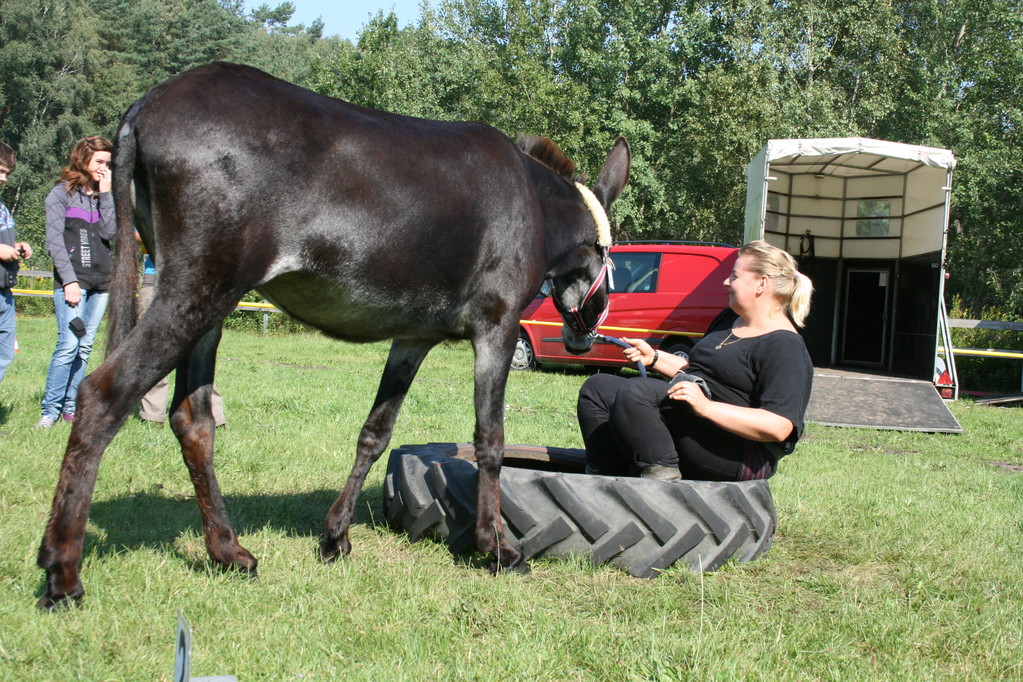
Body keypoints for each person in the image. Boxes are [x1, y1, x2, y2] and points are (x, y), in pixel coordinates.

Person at [577, 240, 814, 481]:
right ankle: (605, 478)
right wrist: (655, 357)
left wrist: (707, 408)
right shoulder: (729, 319)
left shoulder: (785, 345)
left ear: (761, 284)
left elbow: (779, 426)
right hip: (696, 427)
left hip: (739, 453)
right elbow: (701, 373)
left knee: (640, 391)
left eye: (734, 276)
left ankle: (660, 483)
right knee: (598, 389)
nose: (726, 282)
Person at [36, 136, 115, 428]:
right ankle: (49, 411)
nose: (105, 168)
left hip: (101, 284)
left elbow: (110, 232)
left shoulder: (104, 195)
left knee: (85, 346)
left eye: (109, 163)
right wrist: (68, 281)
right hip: (74, 283)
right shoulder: (60, 195)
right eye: (100, 162)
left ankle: (70, 407)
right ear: (83, 160)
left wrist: (106, 193)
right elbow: (54, 242)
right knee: (69, 343)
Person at [135, 237, 226, 426]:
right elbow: (136, 235)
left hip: (197, 281)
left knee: (202, 353)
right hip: (157, 281)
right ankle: (152, 414)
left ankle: (212, 413)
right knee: (154, 352)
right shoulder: (151, 207)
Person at [1, 142, 34, 389]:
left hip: (5, 292)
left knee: (4, 356)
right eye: (0, 171)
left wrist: (18, 246)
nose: (3, 179)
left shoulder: (2, 208)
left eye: (7, 174)